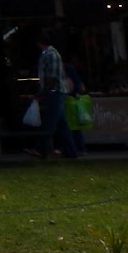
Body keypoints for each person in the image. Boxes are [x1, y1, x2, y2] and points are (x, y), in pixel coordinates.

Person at [34, 31, 78, 160]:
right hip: (56, 91)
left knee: (50, 122)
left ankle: (42, 149)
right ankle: (71, 151)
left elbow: (52, 77)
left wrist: (43, 91)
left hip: (55, 92)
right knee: (61, 123)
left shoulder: (51, 55)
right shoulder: (49, 54)